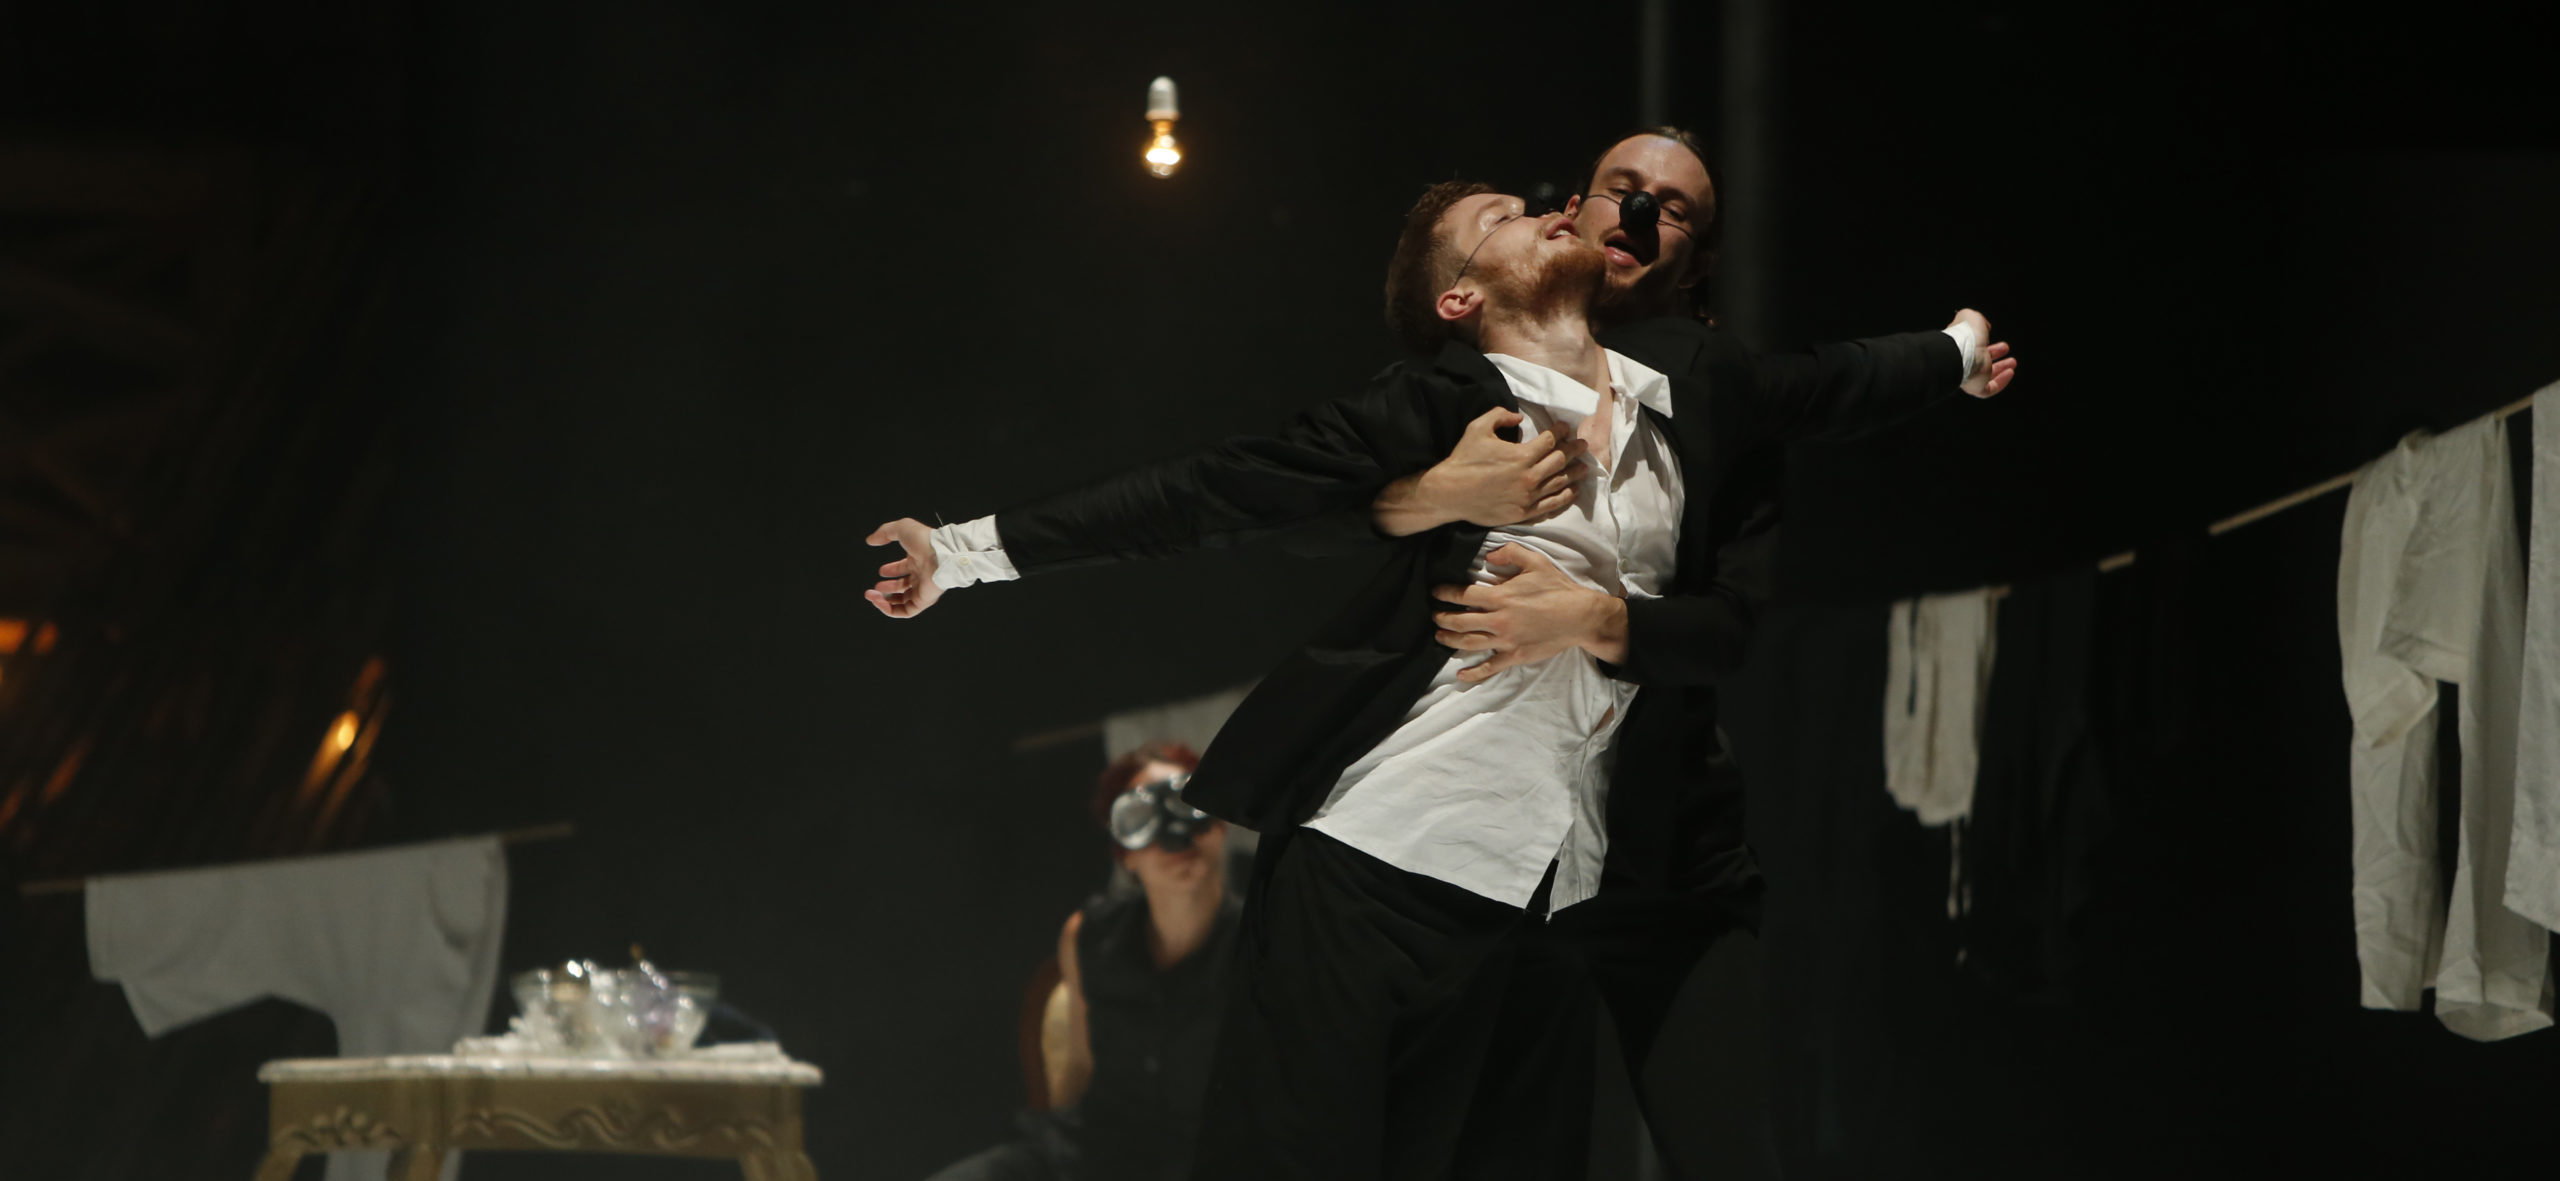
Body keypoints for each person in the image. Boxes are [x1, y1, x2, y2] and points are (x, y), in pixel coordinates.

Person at [867, 177, 2004, 1180]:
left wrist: (1954, 353)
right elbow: (1214, 492)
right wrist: (962, 551)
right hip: (1379, 859)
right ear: (1461, 301)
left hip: (1551, 891)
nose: (1550, 208)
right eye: (1503, 218)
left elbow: (1828, 388)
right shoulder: (1430, 412)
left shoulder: (1682, 393)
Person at [1344, 126, 2020, 1173]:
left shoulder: (1707, 385)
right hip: (1483, 853)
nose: (1644, 213)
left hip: (1661, 853)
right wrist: (1426, 493)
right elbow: (1307, 490)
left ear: (1693, 259)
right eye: (1624, 189)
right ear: (1569, 213)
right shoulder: (1461, 370)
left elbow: (1734, 614)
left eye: (1678, 209)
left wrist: (1592, 617)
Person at [924, 742, 1242, 1181]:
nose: (1175, 831)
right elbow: (1080, 1066)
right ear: (1126, 854)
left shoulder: (1269, 943)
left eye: (1189, 802)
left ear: (1221, 823)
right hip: (1095, 1154)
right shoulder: (1089, 938)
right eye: (1142, 819)